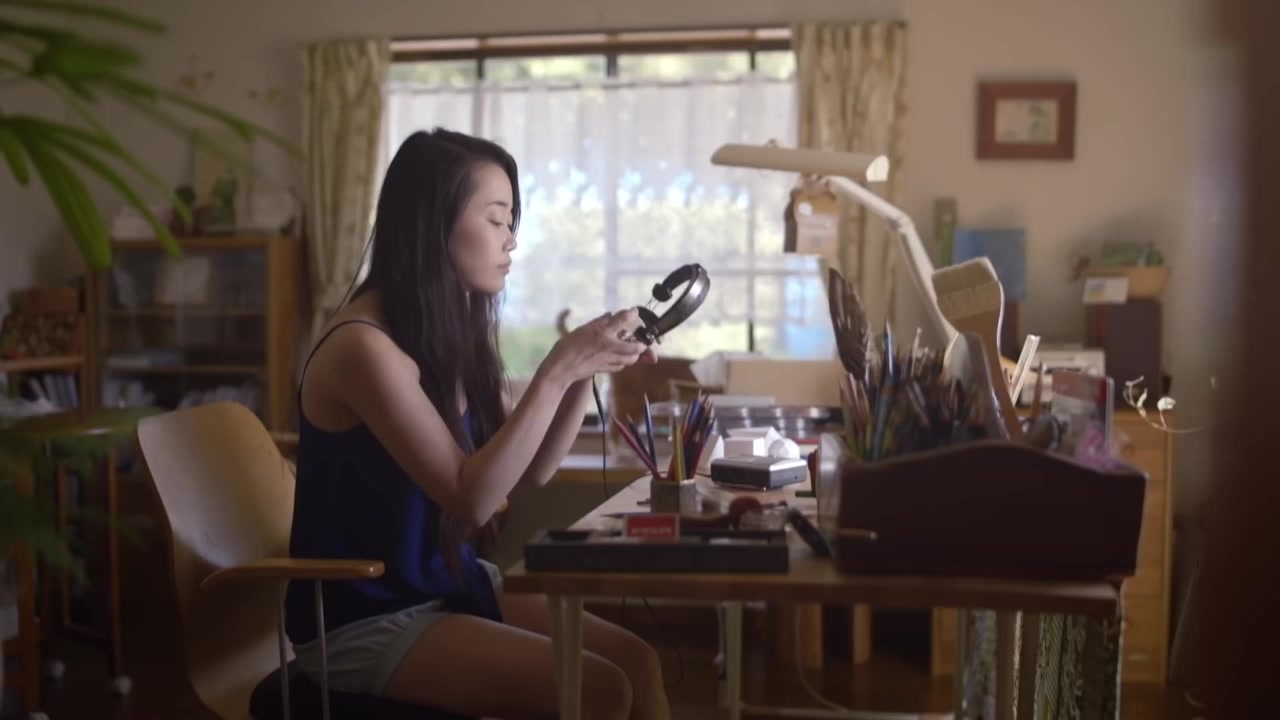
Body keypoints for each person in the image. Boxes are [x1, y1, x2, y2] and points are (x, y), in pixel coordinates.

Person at [285, 127, 669, 720]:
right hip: (367, 616)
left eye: (511, 221)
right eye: (496, 219)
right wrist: (557, 368)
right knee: (600, 690)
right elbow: (473, 499)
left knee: (638, 663)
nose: (512, 239)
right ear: (431, 224)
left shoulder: (438, 332)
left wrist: (586, 368)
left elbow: (534, 468)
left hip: (444, 584)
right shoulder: (364, 348)